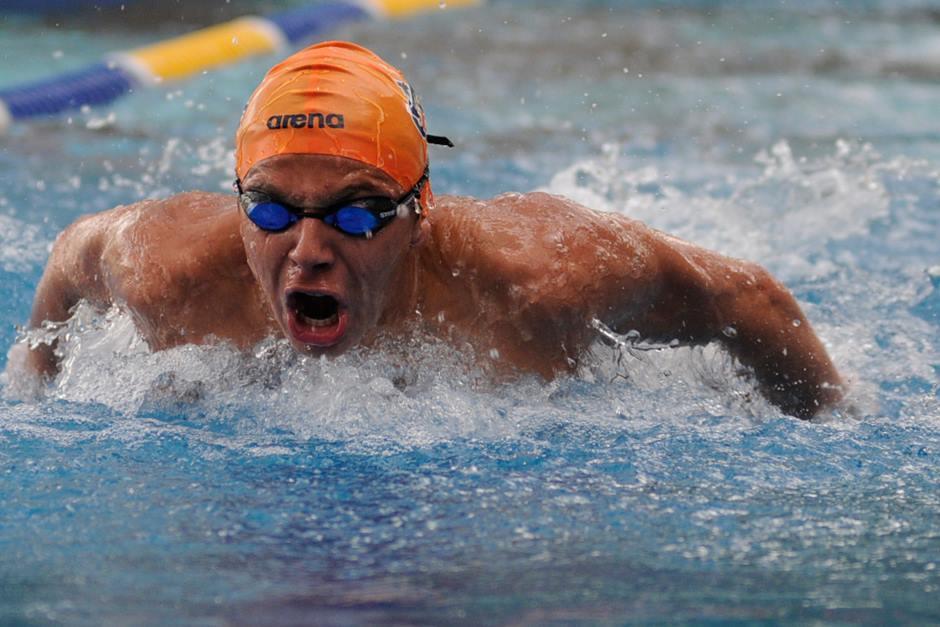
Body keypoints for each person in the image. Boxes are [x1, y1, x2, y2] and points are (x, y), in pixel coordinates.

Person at [17, 41, 843, 418]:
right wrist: (33, 385)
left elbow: (751, 298)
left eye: (355, 211)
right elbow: (66, 262)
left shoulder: (539, 284)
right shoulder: (171, 272)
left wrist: (829, 435)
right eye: (270, 209)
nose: (307, 250)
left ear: (420, 211)